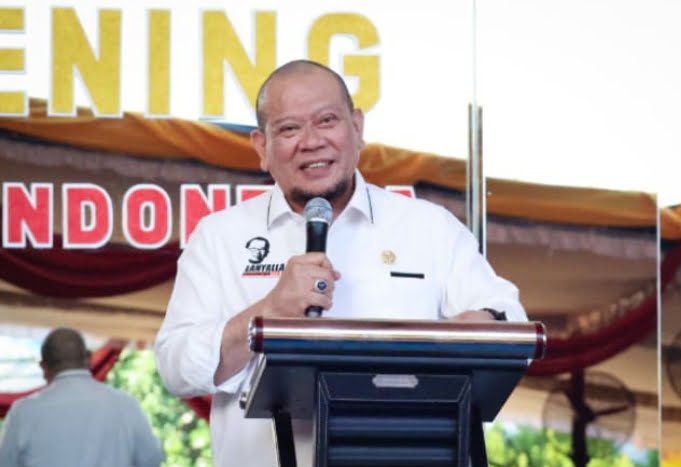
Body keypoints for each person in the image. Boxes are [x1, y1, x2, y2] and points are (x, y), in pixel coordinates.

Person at [155, 59, 527, 467]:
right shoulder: (219, 237)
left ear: (357, 128)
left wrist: (469, 332)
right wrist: (269, 311)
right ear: (262, 147)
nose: (311, 142)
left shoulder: (428, 227)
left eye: (327, 121)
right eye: (289, 129)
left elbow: (511, 322)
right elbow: (176, 366)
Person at [0, 328, 164, 467]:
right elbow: (151, 459)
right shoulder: (126, 405)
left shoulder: (23, 412)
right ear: (89, 358)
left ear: (43, 367)